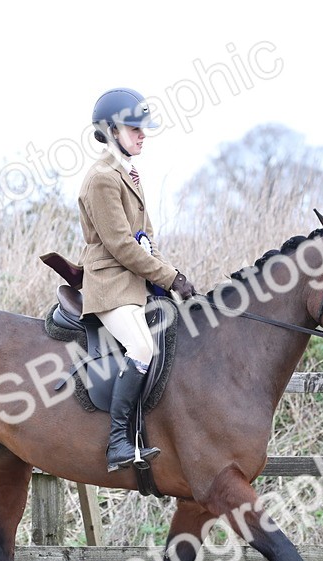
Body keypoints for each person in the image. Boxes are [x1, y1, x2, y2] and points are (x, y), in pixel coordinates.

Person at [79, 87, 198, 472]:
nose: (142, 135)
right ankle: (117, 443)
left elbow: (145, 241)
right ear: (111, 130)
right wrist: (170, 276)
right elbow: (121, 246)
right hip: (111, 285)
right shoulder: (102, 178)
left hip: (135, 284)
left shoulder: (129, 173)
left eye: (143, 129)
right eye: (134, 129)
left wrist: (174, 279)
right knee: (142, 348)